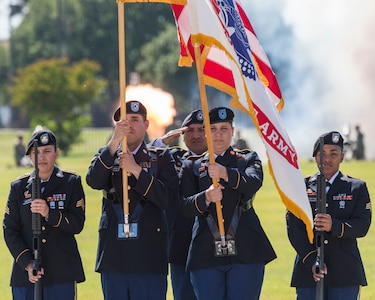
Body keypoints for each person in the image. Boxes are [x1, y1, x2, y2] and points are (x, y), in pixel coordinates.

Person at [179, 107, 276, 300]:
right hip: (205, 250)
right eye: (213, 129)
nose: (218, 134)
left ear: (232, 131)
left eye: (224, 128)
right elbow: (184, 207)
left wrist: (225, 173)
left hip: (246, 247)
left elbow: (253, 183)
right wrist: (205, 197)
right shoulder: (192, 165)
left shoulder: (247, 159)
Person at [86, 100, 179, 300]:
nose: (129, 125)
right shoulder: (108, 155)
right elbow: (93, 180)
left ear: (146, 125)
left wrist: (136, 171)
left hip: (149, 254)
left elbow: (169, 199)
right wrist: (113, 144)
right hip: (114, 254)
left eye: (135, 120)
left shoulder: (160, 157)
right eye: (124, 121)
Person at [286, 131, 372, 300]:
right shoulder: (300, 186)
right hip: (308, 270)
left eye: (333, 154)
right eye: (322, 154)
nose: (327, 159)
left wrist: (335, 225)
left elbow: (362, 225)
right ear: (315, 157)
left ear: (342, 157)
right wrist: (312, 260)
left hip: (345, 271)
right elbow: (293, 227)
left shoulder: (356, 187)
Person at [3, 129, 86, 300]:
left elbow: (77, 224)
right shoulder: (18, 187)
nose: (41, 157)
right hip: (26, 275)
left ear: (56, 153)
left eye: (47, 151)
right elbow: (10, 230)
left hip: (61, 272)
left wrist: (50, 213)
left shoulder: (71, 182)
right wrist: (26, 262)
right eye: (36, 152)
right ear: (30, 156)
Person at [154, 109, 207, 300]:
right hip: (181, 242)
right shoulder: (173, 157)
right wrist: (163, 141)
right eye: (190, 130)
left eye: (202, 129)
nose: (196, 135)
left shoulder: (223, 159)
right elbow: (142, 159)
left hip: (214, 241)